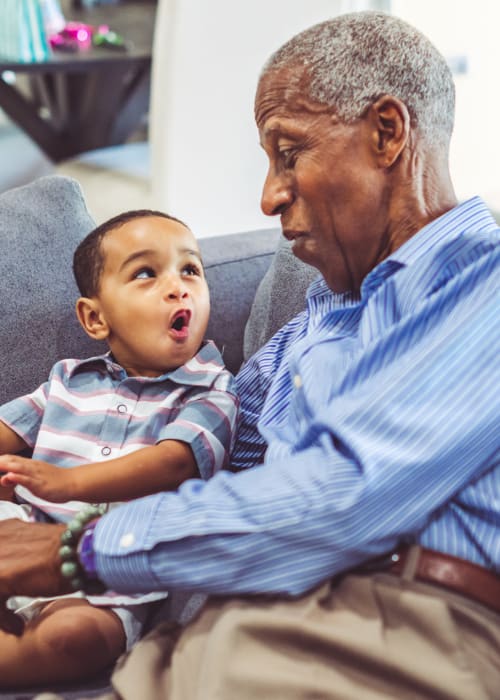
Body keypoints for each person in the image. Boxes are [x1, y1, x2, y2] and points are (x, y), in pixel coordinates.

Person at [1, 10, 499, 699]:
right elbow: (202, 448)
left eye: (288, 153)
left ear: (388, 132)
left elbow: (343, 494)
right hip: (219, 625)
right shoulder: (310, 327)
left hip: (390, 626)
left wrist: (76, 548)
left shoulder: (484, 282)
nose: (268, 196)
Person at [0, 209, 238, 687]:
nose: (178, 287)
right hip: (21, 534)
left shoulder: (211, 392)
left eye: (190, 269)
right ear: (95, 317)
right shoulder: (67, 380)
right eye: (146, 274)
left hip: (109, 580)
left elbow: (174, 463)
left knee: (75, 639)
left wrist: (69, 483)